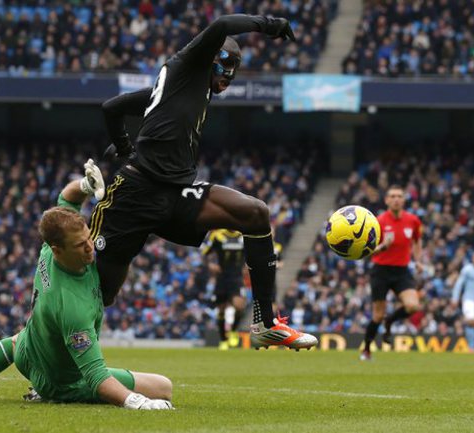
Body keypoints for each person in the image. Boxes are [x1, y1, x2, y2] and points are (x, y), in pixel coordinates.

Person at [94, 14, 316, 350]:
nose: (229, 74)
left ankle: (265, 323)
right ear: (209, 56)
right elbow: (222, 25)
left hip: (176, 192)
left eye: (235, 68)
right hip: (136, 193)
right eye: (225, 64)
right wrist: (268, 24)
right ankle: (47, 349)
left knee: (255, 213)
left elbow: (114, 108)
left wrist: (124, 146)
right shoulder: (187, 64)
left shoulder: (183, 88)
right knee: (100, 291)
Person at [0, 161, 174, 410]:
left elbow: (67, 198)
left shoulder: (51, 248)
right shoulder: (72, 306)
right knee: (164, 387)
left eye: (88, 238)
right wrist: (138, 402)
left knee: (15, 341)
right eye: (80, 245)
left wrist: (85, 185)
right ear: (59, 250)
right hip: (61, 382)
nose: (89, 247)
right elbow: (96, 377)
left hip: (27, 354)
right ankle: (46, 391)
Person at [361, 185, 423, 361]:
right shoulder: (378, 222)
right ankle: (366, 349)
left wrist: (418, 260)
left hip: (402, 271)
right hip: (381, 271)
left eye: (399, 196)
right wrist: (382, 247)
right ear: (386, 200)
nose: (396, 199)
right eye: (392, 196)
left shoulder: (413, 220)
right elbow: (367, 251)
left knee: (413, 306)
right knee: (377, 315)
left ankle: (390, 321)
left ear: (404, 200)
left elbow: (417, 241)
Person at [202, 229, 247, 350]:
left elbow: (252, 252)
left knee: (239, 306)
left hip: (237, 277)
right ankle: (223, 340)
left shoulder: (243, 235)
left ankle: (233, 331)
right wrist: (210, 264)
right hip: (222, 276)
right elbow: (205, 251)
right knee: (221, 309)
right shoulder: (217, 236)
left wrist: (247, 266)